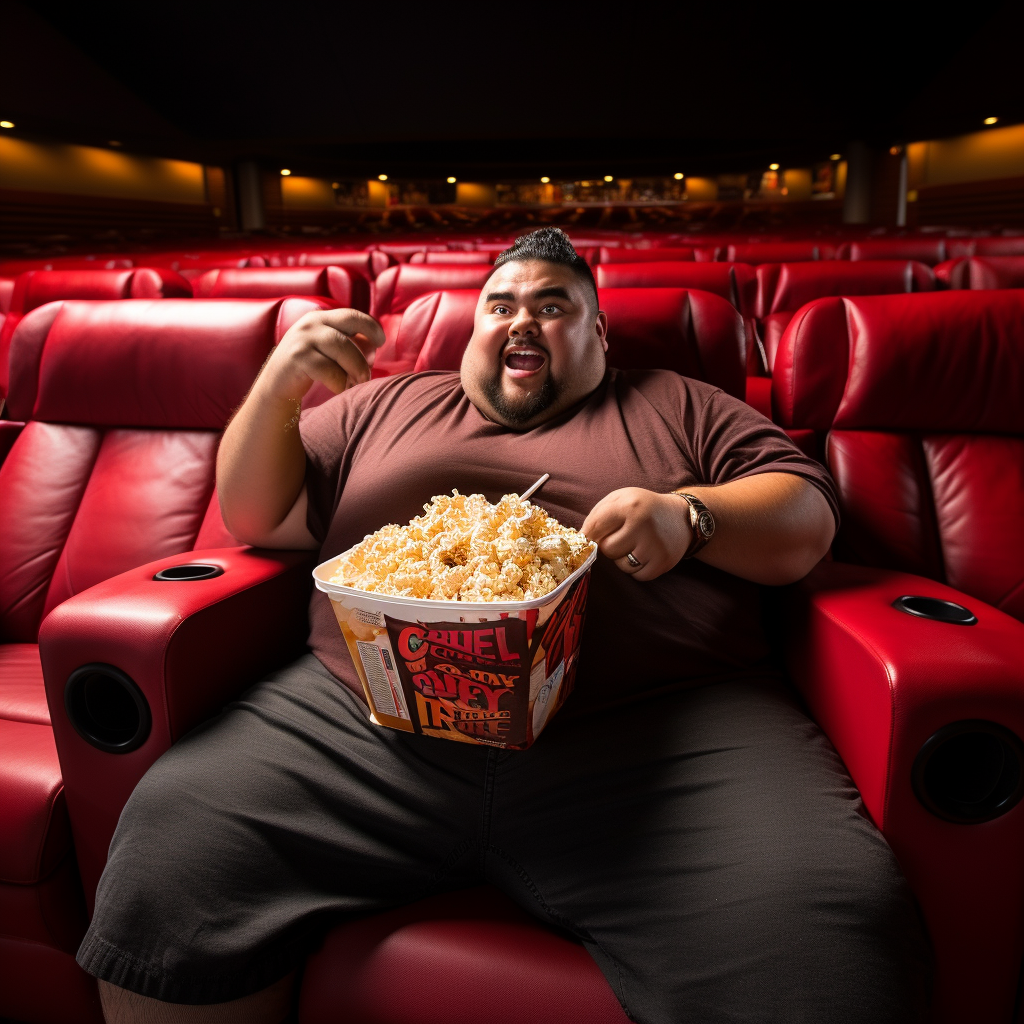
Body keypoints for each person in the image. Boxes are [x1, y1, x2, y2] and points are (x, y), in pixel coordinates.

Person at [82, 228, 930, 1023]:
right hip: (362, 722)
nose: (523, 318)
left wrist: (692, 516)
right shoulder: (383, 406)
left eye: (554, 306)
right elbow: (257, 515)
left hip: (656, 730)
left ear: (602, 335)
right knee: (174, 845)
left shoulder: (682, 404)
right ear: (471, 331)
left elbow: (805, 516)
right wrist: (278, 381)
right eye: (501, 304)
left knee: (821, 925)